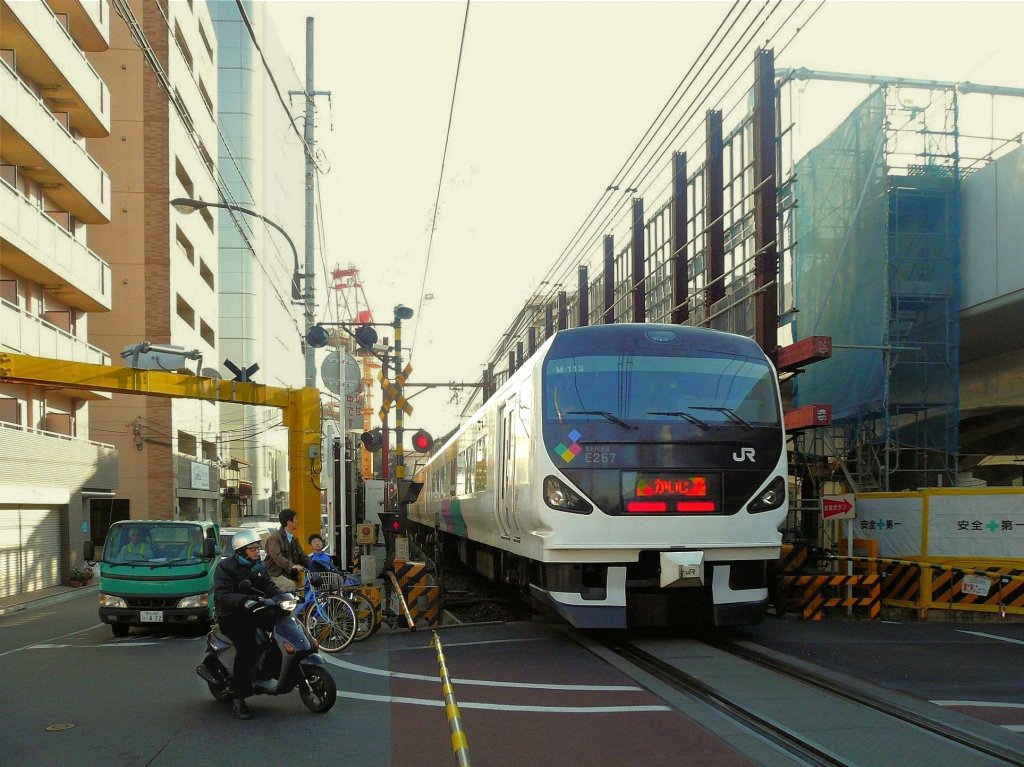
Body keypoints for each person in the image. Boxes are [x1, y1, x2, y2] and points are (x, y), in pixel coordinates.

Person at [213, 529, 281, 720]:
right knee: (247, 647)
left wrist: (281, 597)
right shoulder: (226, 567)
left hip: (256, 609)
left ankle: (270, 672)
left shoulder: (258, 565)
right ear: (241, 550)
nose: (257, 551)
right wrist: (243, 600)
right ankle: (239, 698)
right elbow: (222, 594)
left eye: (258, 548)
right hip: (233, 615)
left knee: (282, 629)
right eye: (252, 548)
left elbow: (269, 586)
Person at [264, 509, 309, 592]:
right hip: (275, 575)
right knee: (290, 587)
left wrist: (313, 564)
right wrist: (292, 566)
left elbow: (302, 555)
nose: (297, 521)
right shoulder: (274, 538)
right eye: (295, 519)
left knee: (304, 587)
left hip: (288, 574)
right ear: (289, 522)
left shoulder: (293, 538)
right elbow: (277, 557)